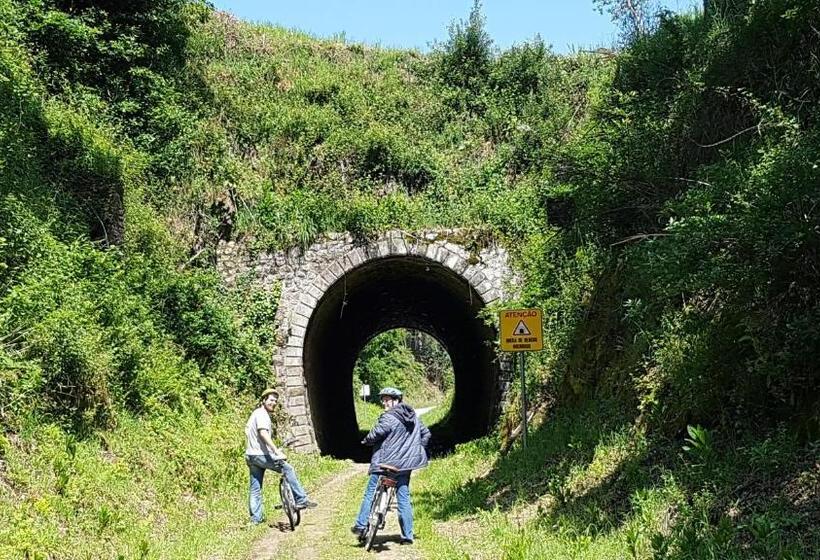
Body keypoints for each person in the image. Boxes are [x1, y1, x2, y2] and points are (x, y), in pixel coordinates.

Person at [351, 387, 431, 545]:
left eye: (387, 399)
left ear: (397, 401)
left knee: (370, 493)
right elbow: (426, 433)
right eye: (383, 399)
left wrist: (365, 441)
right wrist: (418, 449)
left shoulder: (388, 417)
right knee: (404, 498)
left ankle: (361, 525)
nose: (384, 403)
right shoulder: (413, 417)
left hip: (385, 464)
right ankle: (408, 536)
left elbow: (375, 434)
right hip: (405, 466)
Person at [245, 388, 317, 524]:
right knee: (288, 469)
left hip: (251, 455)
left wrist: (272, 450)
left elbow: (253, 437)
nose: (274, 403)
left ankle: (255, 519)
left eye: (275, 401)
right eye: (271, 400)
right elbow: (263, 433)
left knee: (255, 488)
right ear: (263, 400)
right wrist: (275, 451)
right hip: (261, 455)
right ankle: (301, 499)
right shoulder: (262, 415)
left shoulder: (254, 414)